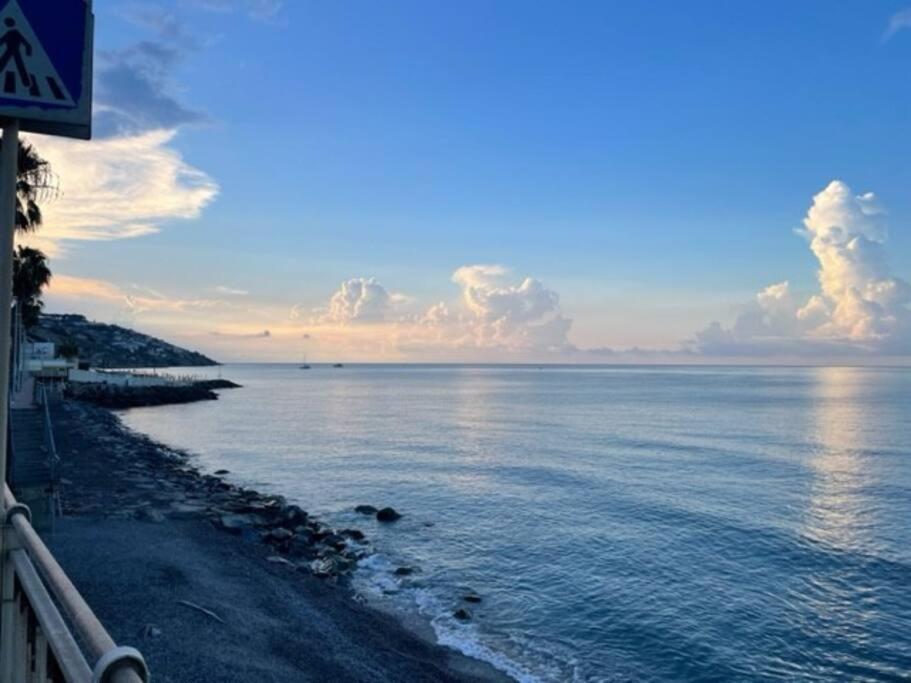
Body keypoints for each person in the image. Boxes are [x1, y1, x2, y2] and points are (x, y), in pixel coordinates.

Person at [0, 18, 33, 88]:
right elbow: (1, 41)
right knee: (2, 62)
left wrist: (28, 53)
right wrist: (28, 52)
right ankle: (26, 81)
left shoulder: (15, 33)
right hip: (9, 51)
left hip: (15, 51)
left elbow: (26, 43)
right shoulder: (9, 33)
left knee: (20, 65)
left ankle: (26, 81)